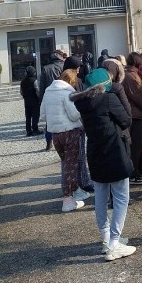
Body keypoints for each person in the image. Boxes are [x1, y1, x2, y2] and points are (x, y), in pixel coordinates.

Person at [72, 68, 136, 261]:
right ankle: (115, 243)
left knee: (100, 197)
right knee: (121, 198)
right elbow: (126, 120)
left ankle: (106, 239)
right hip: (115, 151)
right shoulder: (108, 99)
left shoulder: (82, 104)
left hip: (95, 152)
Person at [40, 68, 91, 212]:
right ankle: (68, 199)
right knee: (71, 166)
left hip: (55, 133)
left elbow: (42, 115)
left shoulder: (48, 91)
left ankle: (76, 191)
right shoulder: (67, 92)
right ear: (71, 81)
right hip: (70, 132)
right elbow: (74, 115)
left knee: (66, 163)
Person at [123, 52, 142, 183]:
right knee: (136, 145)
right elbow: (139, 97)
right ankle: (134, 173)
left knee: (140, 144)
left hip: (135, 114)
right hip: (134, 115)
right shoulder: (132, 77)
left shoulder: (129, 74)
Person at [40, 50, 67, 151]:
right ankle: (64, 141)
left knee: (50, 121)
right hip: (63, 93)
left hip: (49, 95)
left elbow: (42, 85)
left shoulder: (46, 68)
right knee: (64, 117)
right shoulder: (64, 66)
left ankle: (48, 142)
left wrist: (42, 99)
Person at [20, 65, 42, 136]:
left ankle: (28, 131)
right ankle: (35, 129)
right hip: (34, 100)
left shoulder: (22, 81)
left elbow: (21, 92)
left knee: (28, 116)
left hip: (26, 100)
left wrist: (24, 96)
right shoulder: (34, 80)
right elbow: (37, 90)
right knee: (35, 115)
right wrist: (39, 98)